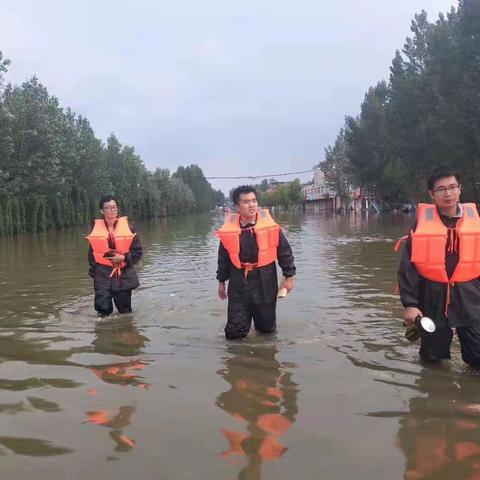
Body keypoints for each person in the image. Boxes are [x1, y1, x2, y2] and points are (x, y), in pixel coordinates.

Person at [397, 168, 480, 365]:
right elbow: (408, 267)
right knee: (432, 357)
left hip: (471, 296)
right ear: (432, 194)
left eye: (452, 187)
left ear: (460, 189)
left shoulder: (476, 223)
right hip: (433, 296)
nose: (448, 193)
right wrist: (410, 304)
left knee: (478, 356)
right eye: (441, 189)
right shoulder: (420, 226)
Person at [216, 185, 296, 339]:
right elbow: (223, 259)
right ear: (237, 206)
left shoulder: (270, 228)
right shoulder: (229, 230)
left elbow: (285, 252)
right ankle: (239, 360)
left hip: (265, 281)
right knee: (234, 334)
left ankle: (263, 359)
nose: (251, 205)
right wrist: (221, 282)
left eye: (254, 201)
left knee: (266, 331)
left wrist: (289, 277)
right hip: (238, 282)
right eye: (246, 202)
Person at [87, 195, 142, 316]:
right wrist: (95, 273)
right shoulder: (95, 231)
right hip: (102, 275)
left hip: (123, 275)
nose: (112, 210)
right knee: (103, 311)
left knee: (125, 312)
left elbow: (138, 253)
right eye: (108, 207)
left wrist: (123, 258)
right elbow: (92, 256)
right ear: (102, 210)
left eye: (114, 207)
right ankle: (104, 334)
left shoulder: (129, 229)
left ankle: (125, 333)